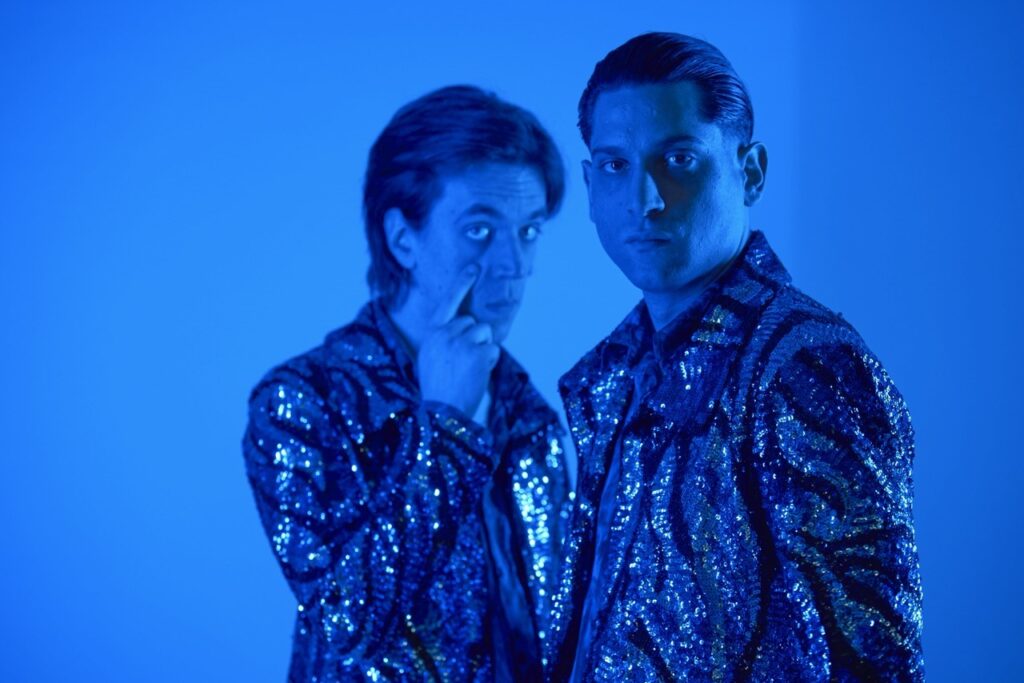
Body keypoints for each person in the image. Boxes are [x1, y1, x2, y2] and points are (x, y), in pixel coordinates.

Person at [546, 33, 924, 681]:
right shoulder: (610, 376)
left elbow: (875, 659)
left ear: (750, 172)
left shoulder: (806, 363)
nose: (644, 198)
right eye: (614, 165)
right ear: (588, 184)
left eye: (679, 159)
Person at [242, 85, 573, 682]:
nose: (515, 266)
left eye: (528, 232)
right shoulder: (302, 402)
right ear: (402, 239)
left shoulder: (531, 416)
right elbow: (347, 622)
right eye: (480, 230)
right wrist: (446, 425)